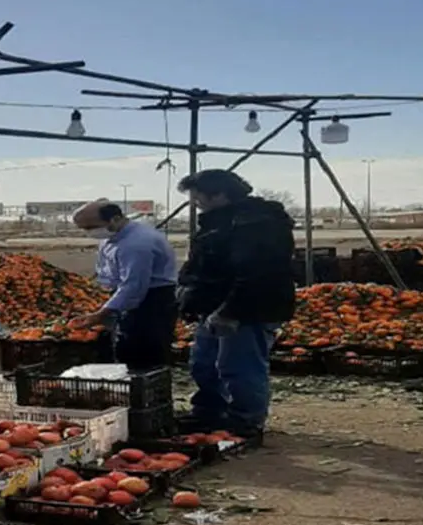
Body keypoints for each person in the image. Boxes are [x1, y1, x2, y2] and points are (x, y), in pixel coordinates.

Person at [175, 169, 296, 441]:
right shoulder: (219, 222)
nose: (195, 204)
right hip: (215, 306)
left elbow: (257, 273)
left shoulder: (257, 223)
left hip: (247, 308)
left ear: (219, 195)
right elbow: (206, 264)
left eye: (198, 198)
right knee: (204, 363)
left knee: (240, 366)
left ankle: (247, 420)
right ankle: (209, 411)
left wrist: (230, 311)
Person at [70, 199, 178, 371]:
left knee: (146, 356)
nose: (88, 232)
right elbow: (107, 273)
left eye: (90, 227)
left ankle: (150, 394)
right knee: (125, 351)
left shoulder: (136, 243)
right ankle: (133, 389)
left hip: (152, 302)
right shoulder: (112, 237)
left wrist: (102, 313)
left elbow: (133, 286)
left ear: (114, 219)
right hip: (128, 299)